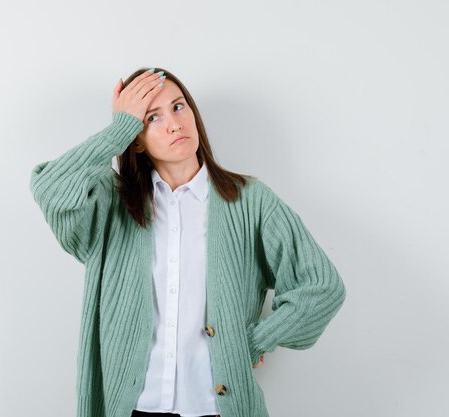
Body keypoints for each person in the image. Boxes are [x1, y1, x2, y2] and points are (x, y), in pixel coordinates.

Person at [29, 67, 346, 417]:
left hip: (217, 408)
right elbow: (52, 190)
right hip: (132, 407)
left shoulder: (250, 202)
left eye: (179, 107)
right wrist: (119, 128)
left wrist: (254, 342)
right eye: (152, 117)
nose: (174, 124)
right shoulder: (111, 205)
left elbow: (321, 286)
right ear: (136, 137)